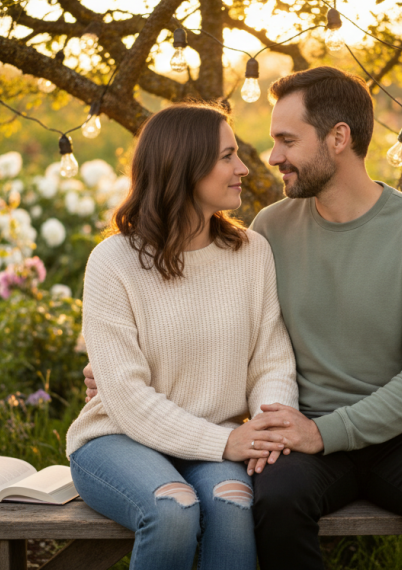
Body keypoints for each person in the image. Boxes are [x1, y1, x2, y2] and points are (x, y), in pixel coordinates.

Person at [84, 67, 402, 569]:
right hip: (299, 428)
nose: (270, 159)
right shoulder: (271, 229)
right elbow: (247, 340)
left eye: (287, 141)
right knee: (273, 502)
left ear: (338, 138)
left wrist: (314, 433)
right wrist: (120, 371)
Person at [66, 102, 299, 570]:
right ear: (183, 166)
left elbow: (271, 362)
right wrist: (224, 444)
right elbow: (126, 396)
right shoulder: (113, 262)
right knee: (173, 510)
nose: (243, 168)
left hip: (221, 436)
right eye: (227, 156)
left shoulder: (251, 252)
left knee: (233, 505)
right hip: (118, 438)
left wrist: (269, 426)